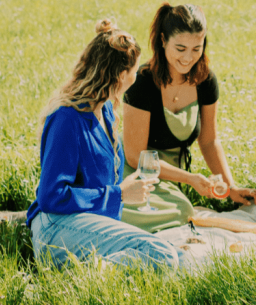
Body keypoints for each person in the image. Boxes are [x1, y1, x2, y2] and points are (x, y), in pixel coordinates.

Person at [26, 19, 180, 269]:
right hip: (56, 230)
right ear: (121, 76)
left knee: (177, 256)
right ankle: (82, 280)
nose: (137, 75)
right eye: (134, 70)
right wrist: (119, 194)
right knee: (160, 254)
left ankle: (89, 270)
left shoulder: (106, 111)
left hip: (86, 227)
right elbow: (50, 196)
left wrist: (123, 193)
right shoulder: (67, 119)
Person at [121, 3, 256, 232]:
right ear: (163, 40)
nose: (188, 58)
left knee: (182, 209)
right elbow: (135, 156)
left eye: (196, 48)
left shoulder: (206, 81)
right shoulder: (143, 83)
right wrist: (189, 178)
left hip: (171, 177)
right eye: (180, 48)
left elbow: (208, 141)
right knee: (181, 210)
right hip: (135, 172)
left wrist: (230, 187)